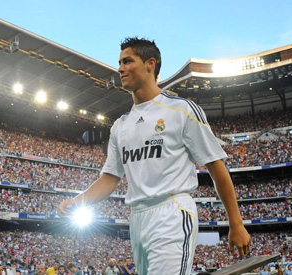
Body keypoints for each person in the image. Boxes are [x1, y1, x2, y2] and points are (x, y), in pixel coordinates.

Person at [58, 37, 251, 274]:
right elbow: (110, 178)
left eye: (127, 61)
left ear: (150, 63)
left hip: (172, 211)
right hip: (137, 218)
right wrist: (78, 201)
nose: (120, 69)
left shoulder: (181, 110)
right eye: (119, 62)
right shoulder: (120, 126)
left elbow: (216, 167)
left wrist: (236, 222)